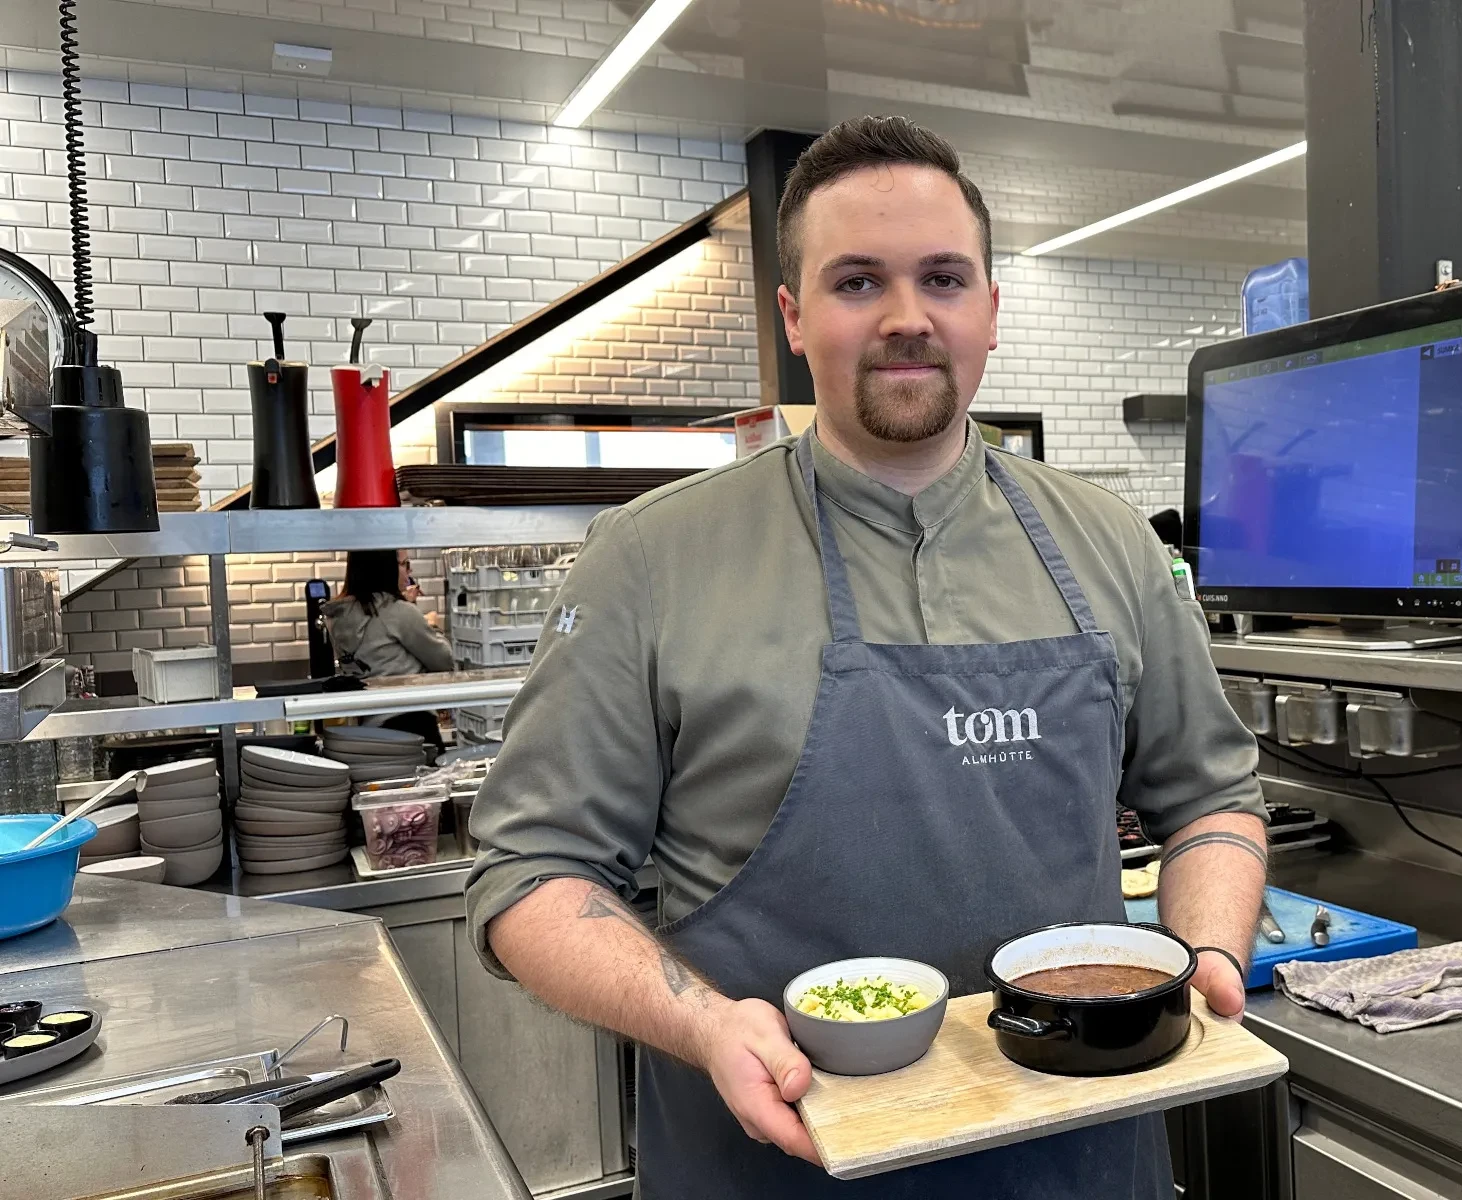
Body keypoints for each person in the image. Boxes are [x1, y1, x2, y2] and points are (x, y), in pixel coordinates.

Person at [466, 115, 1267, 1198]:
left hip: (1075, 1153)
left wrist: (1202, 957)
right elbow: (529, 879)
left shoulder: (1112, 545)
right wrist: (702, 1025)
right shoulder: (649, 557)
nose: (905, 318)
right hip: (774, 1155)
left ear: (990, 310)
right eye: (856, 283)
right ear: (793, 317)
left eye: (943, 278)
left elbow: (1211, 800)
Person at [324, 549, 454, 743]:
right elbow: (445, 660)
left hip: (369, 731)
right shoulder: (398, 613)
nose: (409, 572)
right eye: (405, 564)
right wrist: (431, 625)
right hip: (413, 724)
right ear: (385, 567)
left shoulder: (338, 617)